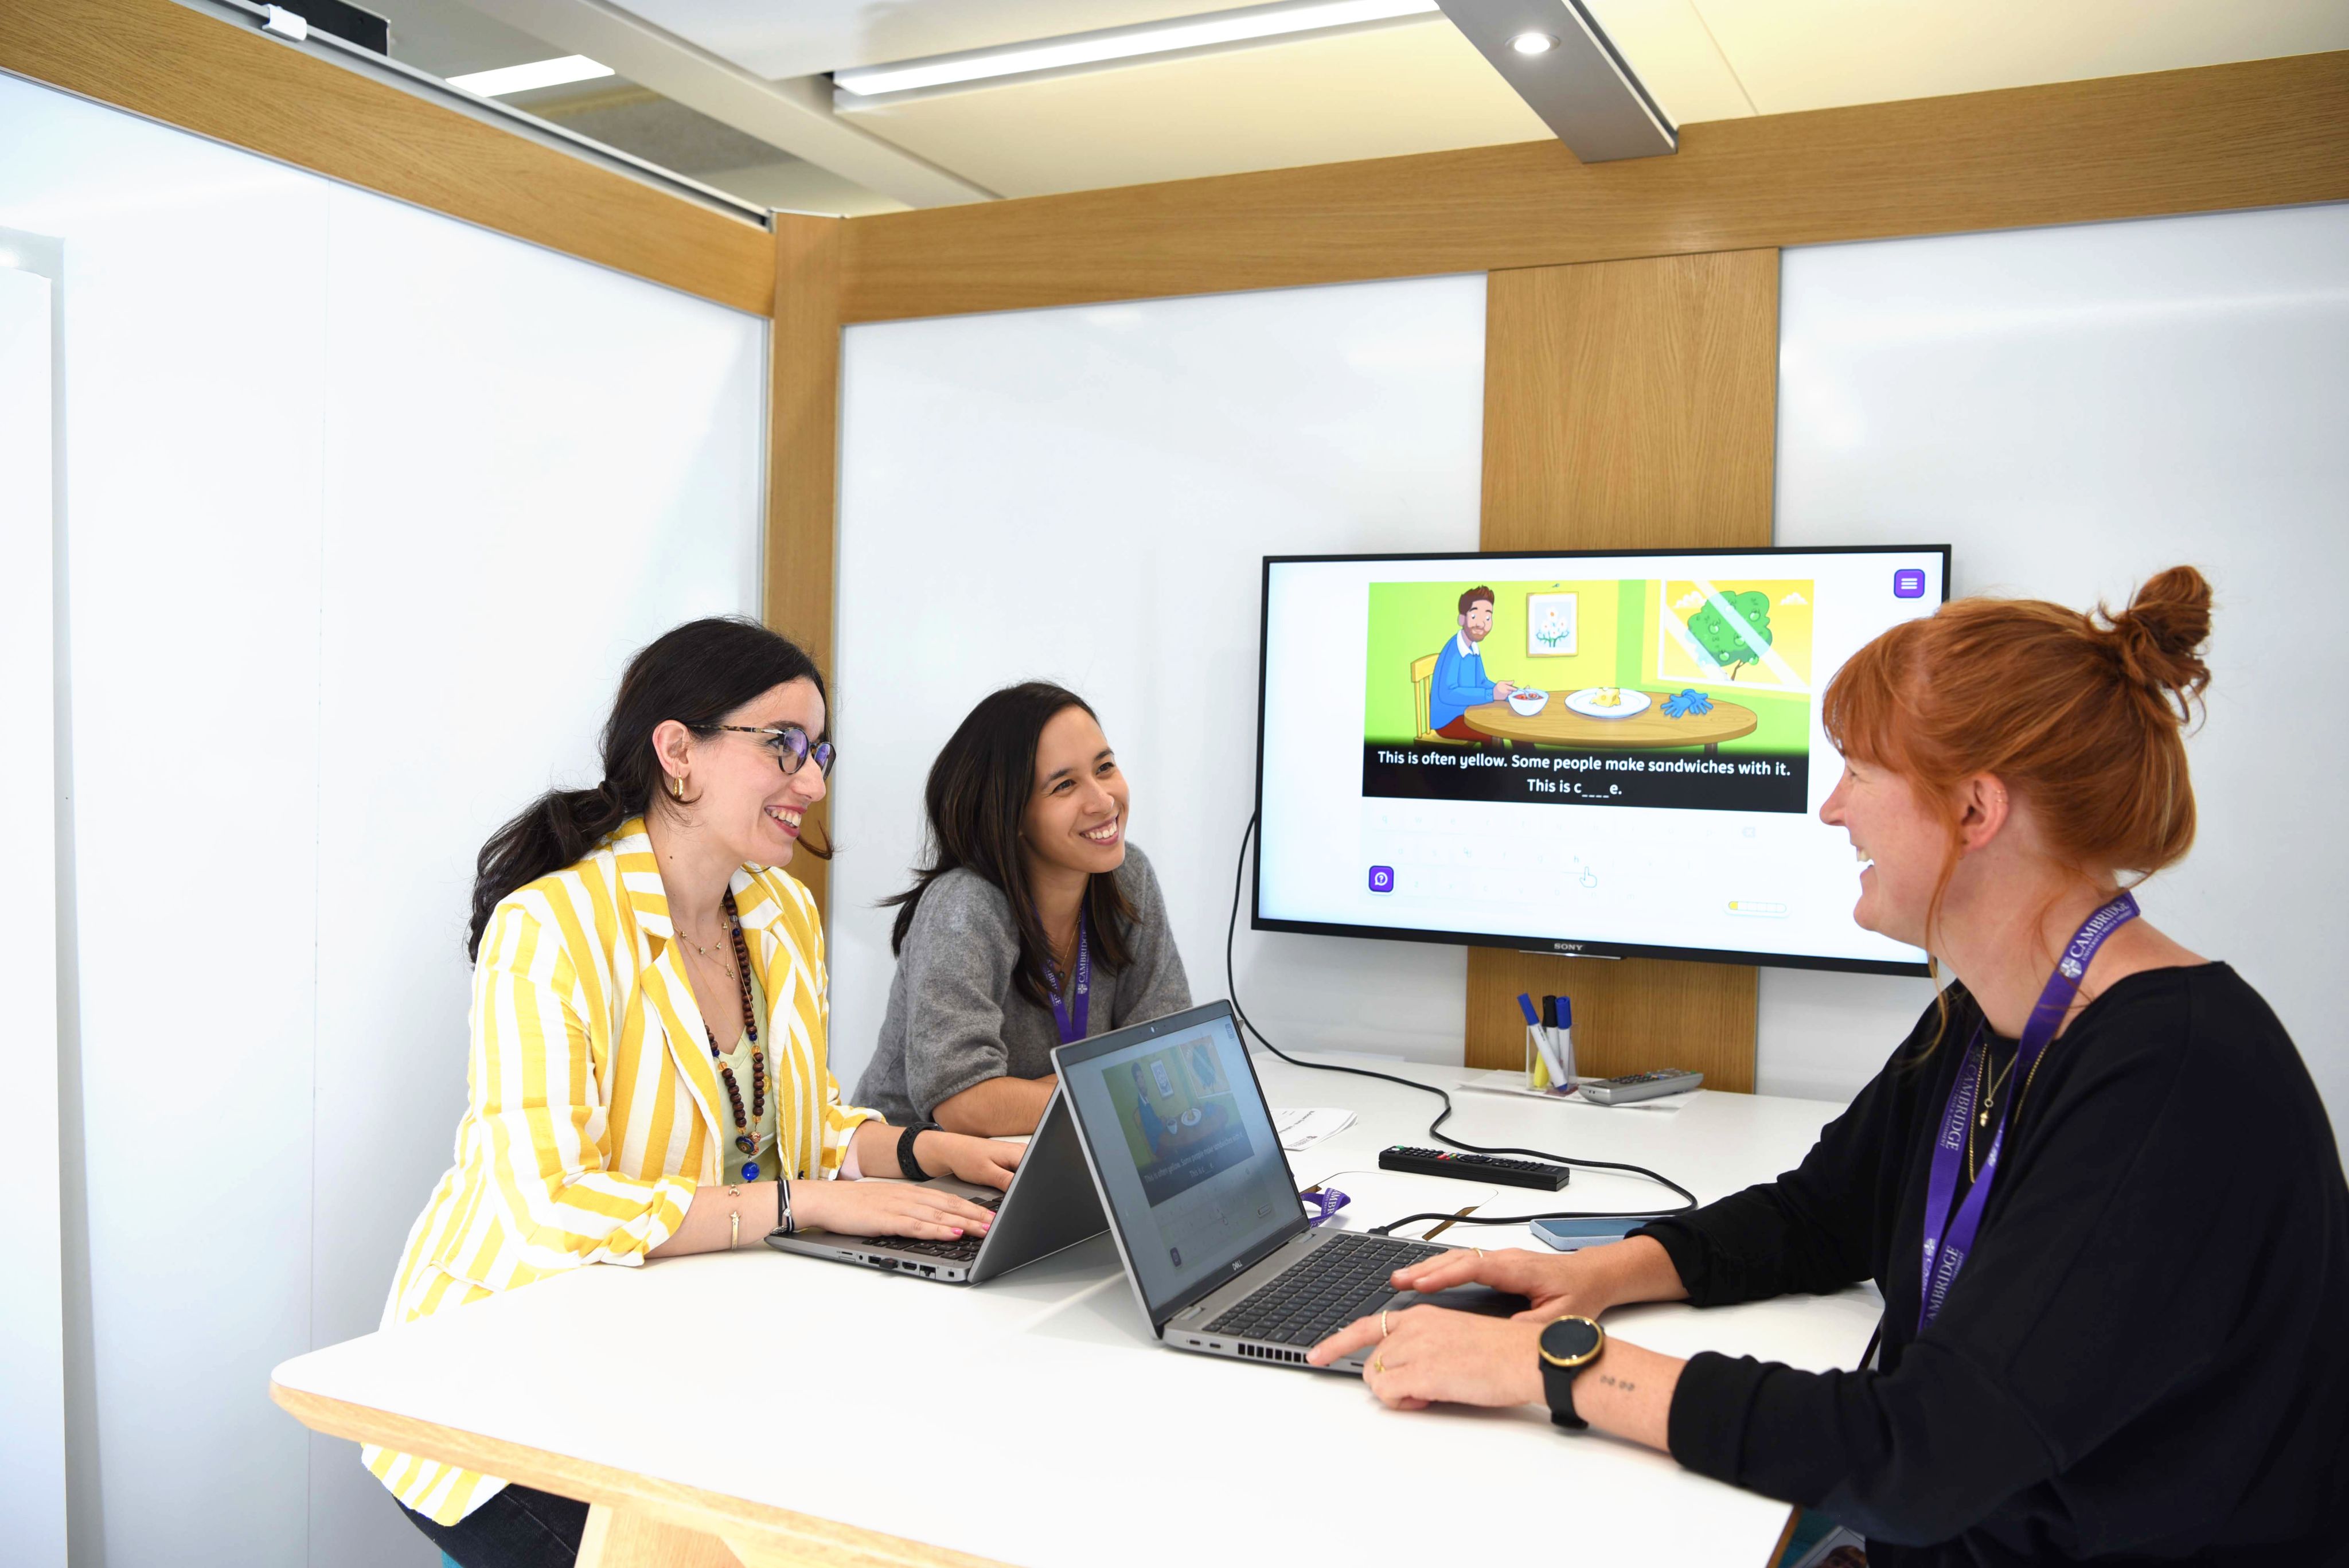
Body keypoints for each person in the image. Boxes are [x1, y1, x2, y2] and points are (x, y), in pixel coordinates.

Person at [1312, 568, 2349, 1565]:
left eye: (1857, 769)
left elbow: (1925, 1452)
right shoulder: (1990, 1015)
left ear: (1974, 810)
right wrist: (1600, 1272)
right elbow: (1822, 1215)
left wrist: (1555, 1366)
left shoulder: (2178, 1079)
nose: (1832, 808)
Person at [374, 618, 1025, 1566]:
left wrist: (935, 1151)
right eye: (785, 745)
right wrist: (802, 1204)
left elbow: (801, 1127)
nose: (813, 782)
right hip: (497, 1390)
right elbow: (546, 1206)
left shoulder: (778, 911)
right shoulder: (550, 926)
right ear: (677, 750)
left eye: (820, 752)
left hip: (675, 1363)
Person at [854, 682, 1191, 1136]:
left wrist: (1043, 1095)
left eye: (1105, 767)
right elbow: (963, 1104)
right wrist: (1115, 1084)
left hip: (1057, 1147)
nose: (1103, 800)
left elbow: (1170, 1051)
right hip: (917, 1166)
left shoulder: (1129, 877)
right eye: (1065, 785)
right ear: (1010, 814)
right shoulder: (965, 906)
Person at [1427, 584, 1518, 740]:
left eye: (1487, 618)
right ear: (1462, 619)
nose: (1481, 624)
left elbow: (1481, 681)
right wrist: (1492, 694)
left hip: (1468, 712)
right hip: (1448, 720)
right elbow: (1448, 693)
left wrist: (1511, 693)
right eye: (1475, 616)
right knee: (1495, 730)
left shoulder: (1473, 648)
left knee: (1511, 721)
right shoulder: (1454, 650)